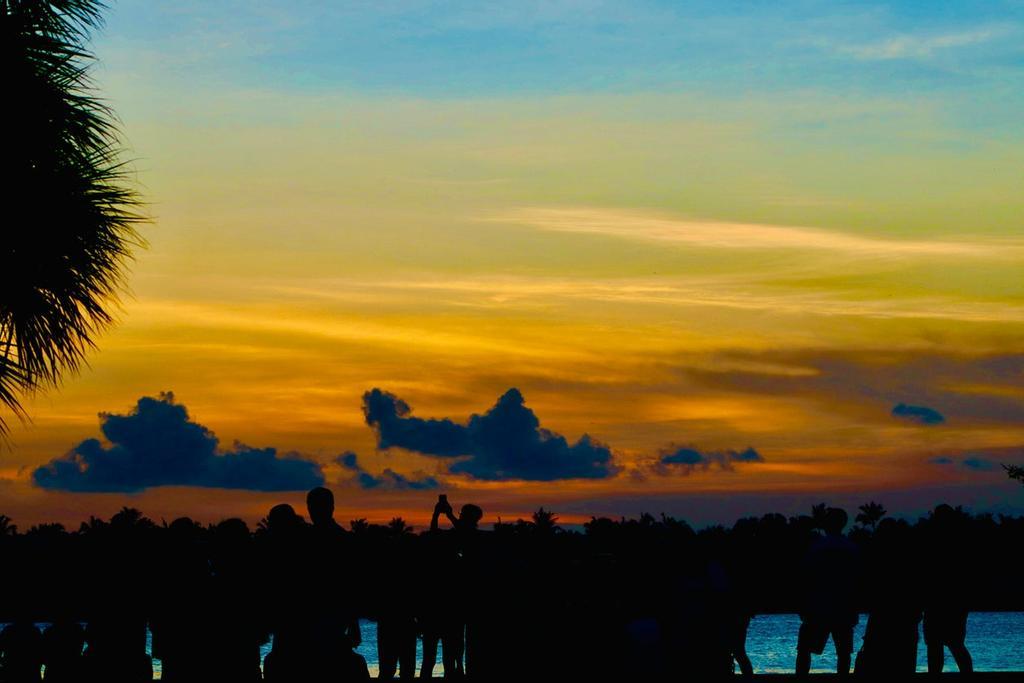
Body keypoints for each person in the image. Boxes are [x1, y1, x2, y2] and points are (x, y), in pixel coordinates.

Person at [795, 507, 859, 676]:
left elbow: (805, 578)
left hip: (818, 605)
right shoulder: (851, 549)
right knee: (843, 652)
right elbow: (856, 581)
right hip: (842, 606)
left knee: (805, 649)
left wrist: (803, 604)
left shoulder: (816, 548)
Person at [922, 505, 973, 674]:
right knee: (954, 643)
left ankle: (935, 674)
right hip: (952, 601)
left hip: (940, 600)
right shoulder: (960, 542)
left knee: (939, 644)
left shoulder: (931, 541)